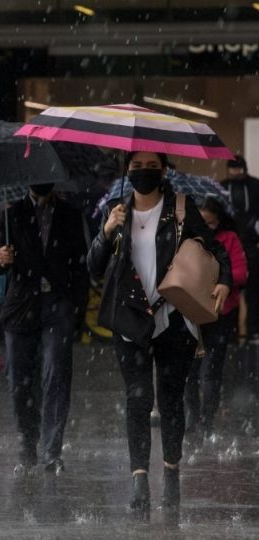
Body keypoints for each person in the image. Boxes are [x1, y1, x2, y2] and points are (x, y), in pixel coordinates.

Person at [88, 151, 231, 518]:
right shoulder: (116, 212)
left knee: (170, 400)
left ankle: (171, 470)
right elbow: (93, 267)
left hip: (173, 320)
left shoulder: (181, 208)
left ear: (164, 170)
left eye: (151, 167)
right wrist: (106, 232)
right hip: (131, 322)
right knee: (137, 399)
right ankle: (138, 479)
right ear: (127, 171)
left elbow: (216, 250)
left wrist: (225, 283)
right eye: (136, 168)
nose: (143, 174)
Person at [0, 183, 89, 475]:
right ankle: (27, 445)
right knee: (20, 380)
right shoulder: (11, 215)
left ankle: (52, 451)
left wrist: (77, 312)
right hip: (21, 307)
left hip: (58, 305)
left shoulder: (71, 215)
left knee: (56, 374)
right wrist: (1, 259)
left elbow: (80, 267)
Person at [185, 197, 248, 442]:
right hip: (192, 311)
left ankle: (207, 419)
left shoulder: (229, 239)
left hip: (221, 312)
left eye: (210, 223)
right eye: (202, 222)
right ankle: (193, 416)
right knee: (190, 370)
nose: (206, 226)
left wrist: (219, 278)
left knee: (210, 369)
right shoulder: (188, 239)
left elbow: (241, 273)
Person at [220, 156, 259, 340]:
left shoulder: (254, 186)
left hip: (250, 240)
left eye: (238, 170)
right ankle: (232, 330)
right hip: (230, 240)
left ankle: (252, 329)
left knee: (252, 287)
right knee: (230, 284)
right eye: (232, 170)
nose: (235, 173)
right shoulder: (222, 186)